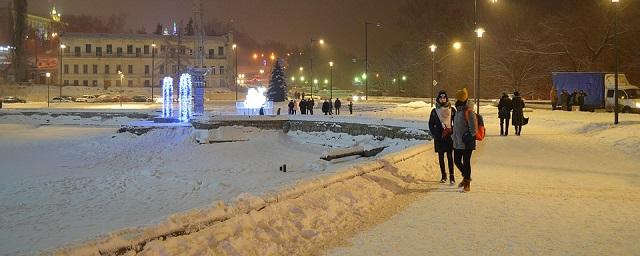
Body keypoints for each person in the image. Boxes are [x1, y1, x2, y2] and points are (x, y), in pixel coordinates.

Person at [429, 90, 456, 184]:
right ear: (438, 98)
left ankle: (452, 176)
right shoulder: (434, 111)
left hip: (449, 136)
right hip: (439, 137)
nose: (442, 99)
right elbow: (431, 124)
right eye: (440, 97)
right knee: (441, 157)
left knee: (449, 156)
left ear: (447, 98)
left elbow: (455, 122)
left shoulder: (452, 109)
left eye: (444, 97)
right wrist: (434, 133)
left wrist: (453, 132)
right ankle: (443, 175)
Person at [452, 88, 476, 192]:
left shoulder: (468, 111)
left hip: (467, 142)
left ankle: (467, 183)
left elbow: (474, 129)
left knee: (466, 161)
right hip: (458, 141)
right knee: (457, 160)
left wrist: (467, 136)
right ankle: (466, 176)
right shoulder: (458, 110)